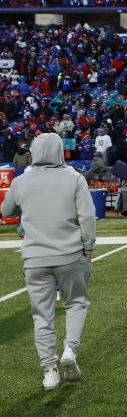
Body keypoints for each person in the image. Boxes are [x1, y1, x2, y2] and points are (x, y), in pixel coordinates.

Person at [1, 133, 96, 390]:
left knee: (42, 316)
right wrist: (88, 249)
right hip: (70, 255)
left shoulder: (22, 181)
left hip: (35, 258)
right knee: (76, 303)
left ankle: (49, 370)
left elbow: (6, 211)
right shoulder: (75, 178)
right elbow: (87, 218)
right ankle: (69, 350)